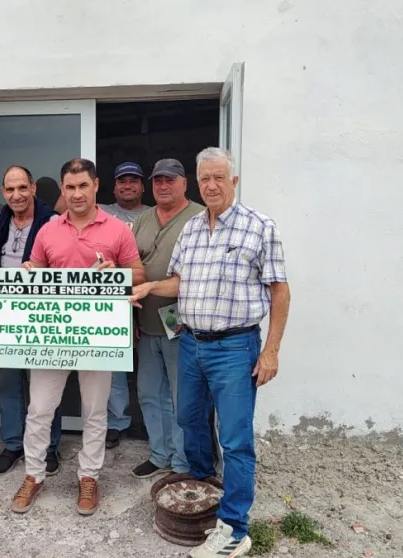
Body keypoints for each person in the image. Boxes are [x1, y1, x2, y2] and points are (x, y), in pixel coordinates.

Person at [129, 147, 290, 558]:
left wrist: (270, 351)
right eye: (206, 179)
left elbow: (280, 291)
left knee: (235, 439)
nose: (212, 185)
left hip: (235, 347)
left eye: (219, 177)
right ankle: (202, 481)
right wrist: (152, 287)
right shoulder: (192, 229)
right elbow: (179, 281)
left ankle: (235, 528)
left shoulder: (259, 227)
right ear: (197, 183)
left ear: (233, 181)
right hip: (190, 342)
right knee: (189, 419)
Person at [10, 158, 145, 517]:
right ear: (62, 189)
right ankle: (34, 475)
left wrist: (118, 271)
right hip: (53, 336)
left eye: (83, 185)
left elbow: (139, 274)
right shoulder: (48, 230)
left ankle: (89, 476)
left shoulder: (118, 229)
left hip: (97, 337)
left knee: (95, 411)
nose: (76, 193)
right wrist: (29, 270)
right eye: (69, 187)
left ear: (96, 185)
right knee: (39, 409)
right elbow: (36, 268)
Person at [0, 165, 63, 476]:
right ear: (3, 192)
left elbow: (64, 266)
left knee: (46, 387)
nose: (16, 195)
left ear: (33, 188)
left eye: (22, 188)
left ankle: (48, 448)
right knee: (8, 385)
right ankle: (13, 444)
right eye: (10, 189)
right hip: (6, 317)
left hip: (43, 317)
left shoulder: (52, 223)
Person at [129, 159, 204, 479]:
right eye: (158, 180)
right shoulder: (142, 219)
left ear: (184, 183)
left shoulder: (200, 217)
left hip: (181, 324)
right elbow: (131, 264)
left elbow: (200, 276)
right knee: (148, 393)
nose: (163, 185)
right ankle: (159, 454)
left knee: (181, 396)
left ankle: (183, 462)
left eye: (170, 180)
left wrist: (153, 287)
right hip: (146, 323)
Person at [99, 161, 152, 449]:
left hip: (150, 299)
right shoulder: (102, 211)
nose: (127, 185)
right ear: (113, 187)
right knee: (115, 369)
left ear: (143, 186)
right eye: (122, 181)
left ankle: (150, 422)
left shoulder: (154, 214)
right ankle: (117, 423)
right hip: (112, 304)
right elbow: (61, 208)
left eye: (134, 180)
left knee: (151, 369)